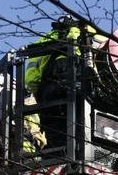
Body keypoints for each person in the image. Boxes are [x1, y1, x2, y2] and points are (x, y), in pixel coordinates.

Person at [24, 16, 104, 151]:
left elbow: (31, 80)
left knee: (57, 137)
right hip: (85, 87)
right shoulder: (99, 37)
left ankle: (58, 157)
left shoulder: (46, 40)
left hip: (51, 92)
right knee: (88, 129)